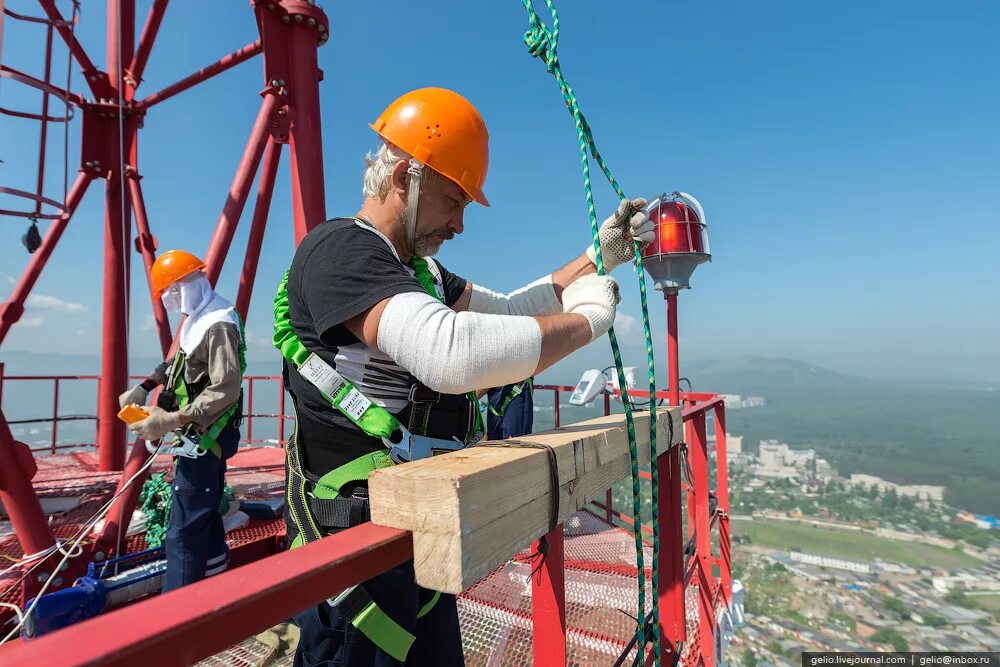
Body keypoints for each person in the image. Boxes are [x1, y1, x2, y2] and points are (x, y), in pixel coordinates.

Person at [278, 87, 652, 666]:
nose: (458, 224)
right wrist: (588, 321)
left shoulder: (416, 271)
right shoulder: (341, 252)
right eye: (453, 200)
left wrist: (597, 257)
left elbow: (505, 311)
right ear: (406, 176)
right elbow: (451, 354)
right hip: (353, 555)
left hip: (412, 531)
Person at [119, 250, 245, 593]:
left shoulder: (218, 323)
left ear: (183, 287)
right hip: (197, 434)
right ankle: (215, 581)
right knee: (203, 512)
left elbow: (226, 388)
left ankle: (177, 609)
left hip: (206, 437)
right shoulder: (199, 319)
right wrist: (144, 387)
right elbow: (177, 362)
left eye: (171, 294)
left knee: (183, 530)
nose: (171, 302)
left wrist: (172, 419)